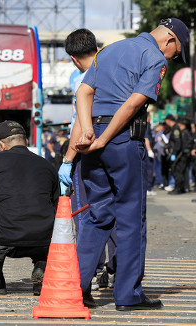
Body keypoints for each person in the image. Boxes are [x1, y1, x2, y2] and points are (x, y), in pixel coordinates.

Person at [69, 18, 189, 310]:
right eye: (177, 53)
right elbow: (134, 103)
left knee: (97, 216)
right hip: (122, 141)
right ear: (170, 41)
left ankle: (77, 288)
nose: (172, 59)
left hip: (93, 136)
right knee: (131, 218)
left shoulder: (110, 49)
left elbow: (83, 93)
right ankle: (128, 294)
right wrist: (105, 138)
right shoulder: (155, 57)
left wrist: (88, 132)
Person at [0, 120, 60, 295]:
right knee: (45, 218)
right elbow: (55, 204)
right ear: (25, 141)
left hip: (7, 238)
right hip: (42, 239)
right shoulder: (47, 165)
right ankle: (41, 267)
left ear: (1, 145)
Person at [61, 28, 116, 291]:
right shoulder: (114, 68)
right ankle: (114, 269)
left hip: (88, 151)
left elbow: (81, 123)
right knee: (115, 210)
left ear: (73, 58)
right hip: (117, 147)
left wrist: (68, 159)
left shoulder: (84, 78)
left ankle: (89, 273)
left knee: (87, 213)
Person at [169, 117, 193, 195]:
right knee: (181, 171)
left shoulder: (184, 132)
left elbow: (180, 144)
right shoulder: (183, 132)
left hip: (182, 155)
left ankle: (178, 188)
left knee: (177, 171)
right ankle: (182, 187)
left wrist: (175, 153)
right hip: (182, 154)